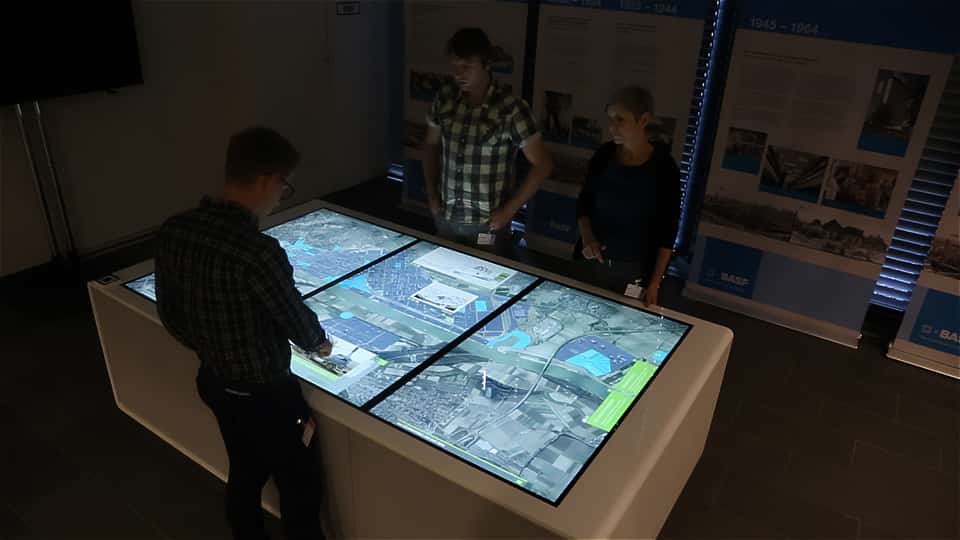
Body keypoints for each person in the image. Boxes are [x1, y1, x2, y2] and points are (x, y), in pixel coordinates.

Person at [154, 126, 333, 540]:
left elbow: (172, 316)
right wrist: (320, 345)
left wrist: (214, 347)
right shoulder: (257, 251)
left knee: (244, 473)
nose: (279, 197)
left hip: (215, 383)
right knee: (300, 493)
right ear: (269, 179)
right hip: (270, 399)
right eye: (284, 187)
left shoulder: (175, 229)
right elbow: (296, 323)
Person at [422, 27, 553, 248]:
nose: (458, 74)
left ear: (487, 64)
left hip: (488, 224)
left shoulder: (510, 108)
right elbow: (430, 144)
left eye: (467, 67)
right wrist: (432, 193)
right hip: (446, 216)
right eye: (455, 66)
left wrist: (510, 210)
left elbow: (543, 165)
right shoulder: (445, 98)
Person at [575, 87, 681, 306]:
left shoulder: (664, 168)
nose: (612, 126)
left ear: (643, 120)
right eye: (610, 119)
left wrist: (654, 284)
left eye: (620, 119)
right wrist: (587, 236)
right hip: (593, 263)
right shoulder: (604, 156)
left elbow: (668, 231)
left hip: (634, 269)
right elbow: (584, 203)